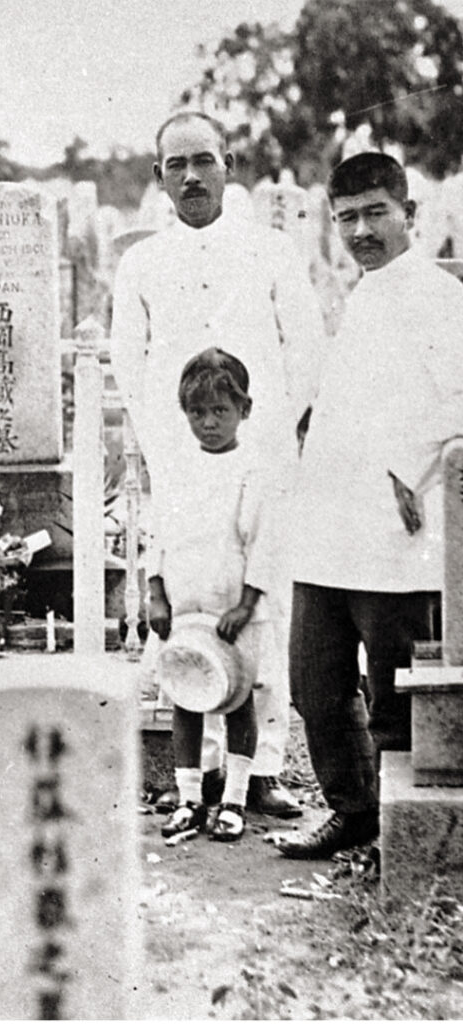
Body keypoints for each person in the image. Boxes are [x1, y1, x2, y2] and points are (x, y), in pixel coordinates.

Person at [111, 111, 325, 818]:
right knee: (190, 616)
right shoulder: (141, 262)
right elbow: (129, 360)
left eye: (205, 160)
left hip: (260, 458)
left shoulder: (271, 251)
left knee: (261, 613)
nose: (192, 176)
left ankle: (260, 771)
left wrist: (272, 438)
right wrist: (167, 448)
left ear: (230, 164)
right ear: (159, 177)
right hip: (181, 463)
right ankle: (195, 781)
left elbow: (304, 347)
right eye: (177, 165)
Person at [276, 152, 463, 859]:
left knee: (393, 696)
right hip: (328, 529)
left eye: (375, 213)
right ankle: (352, 810)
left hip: (396, 532)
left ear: (409, 215)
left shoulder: (440, 298)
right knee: (314, 684)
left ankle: (402, 833)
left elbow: (456, 404)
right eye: (347, 218)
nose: (361, 230)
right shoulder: (360, 296)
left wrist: (403, 472)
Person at [151, 349, 272, 842]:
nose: (208, 423)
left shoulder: (253, 469)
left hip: (232, 608)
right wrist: (156, 592)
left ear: (244, 410)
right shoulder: (176, 467)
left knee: (236, 697)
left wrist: (245, 604)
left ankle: (235, 799)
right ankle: (189, 798)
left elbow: (263, 541)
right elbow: (158, 534)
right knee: (186, 693)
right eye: (198, 413)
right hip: (186, 603)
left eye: (220, 411)